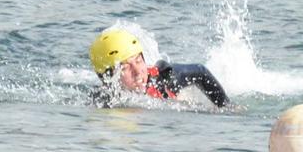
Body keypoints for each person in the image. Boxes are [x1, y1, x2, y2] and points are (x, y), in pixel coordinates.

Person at [87, 27, 230, 108]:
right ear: (107, 78)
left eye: (138, 61)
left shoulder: (165, 78)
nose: (137, 72)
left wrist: (226, 107)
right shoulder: (103, 100)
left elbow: (200, 71)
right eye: (125, 68)